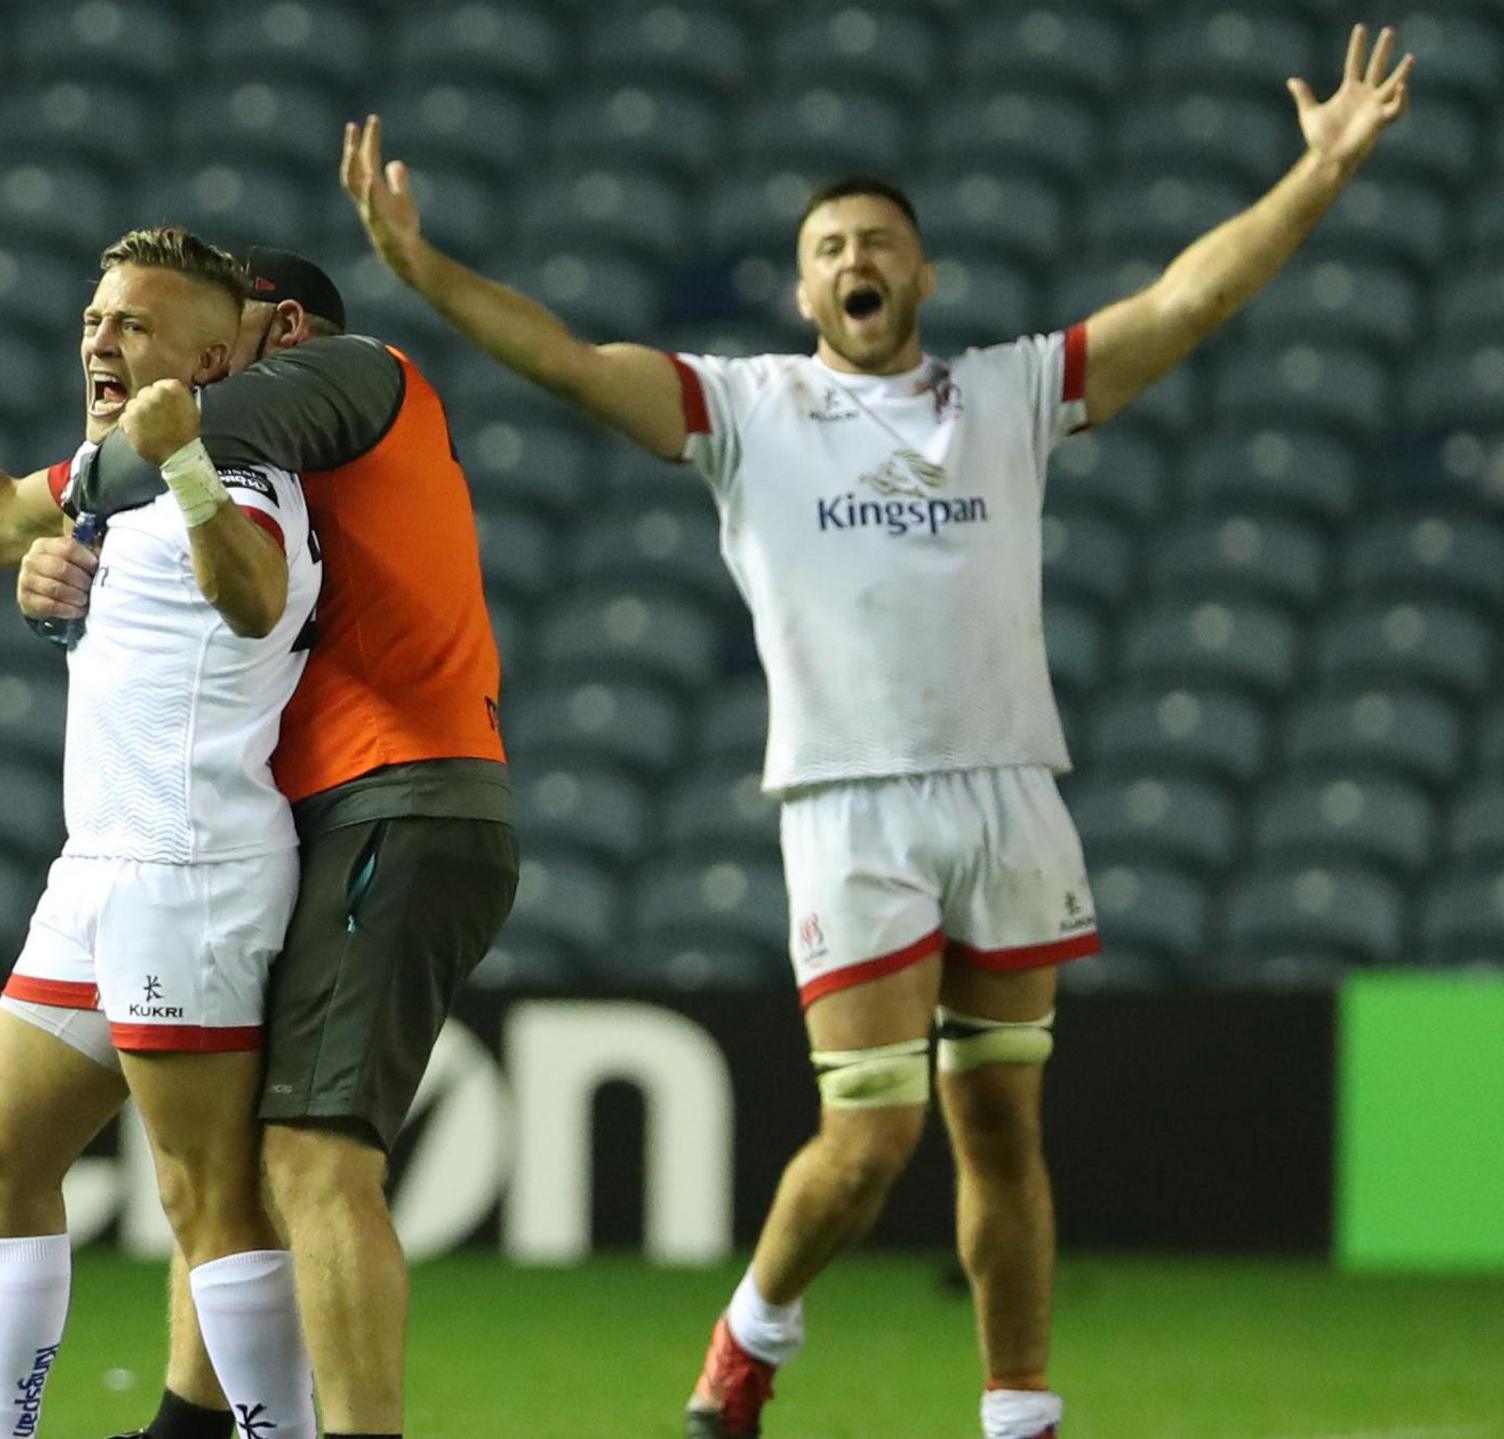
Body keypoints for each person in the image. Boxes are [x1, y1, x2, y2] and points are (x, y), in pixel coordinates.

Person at [339, 23, 1413, 1439]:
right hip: (851, 806)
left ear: (921, 273)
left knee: (1003, 1134)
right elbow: (568, 358)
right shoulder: (750, 409)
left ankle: (1021, 1410)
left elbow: (1186, 299)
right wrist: (424, 272)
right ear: (805, 284)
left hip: (1012, 792)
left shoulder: (1012, 394)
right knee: (870, 1138)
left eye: (883, 240)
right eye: (834, 241)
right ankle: (750, 1334)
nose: (860, 257)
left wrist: (1317, 176)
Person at [0, 226, 323, 1439]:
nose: (102, 338)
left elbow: (252, 596)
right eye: (97, 318)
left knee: (205, 1198)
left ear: (210, 360)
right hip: (98, 868)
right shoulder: (113, 470)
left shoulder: (243, 472)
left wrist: (185, 466)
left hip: (189, 871)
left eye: (134, 324)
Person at [20, 248, 519, 1439]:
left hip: (393, 796)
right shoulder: (252, 475)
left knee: (312, 1158)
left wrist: (78, 489)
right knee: (235, 1157)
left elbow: (142, 458)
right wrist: (55, 575)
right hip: (321, 810)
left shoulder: (353, 375)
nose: (191, 364)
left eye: (216, 335)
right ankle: (190, 1424)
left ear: (277, 329)